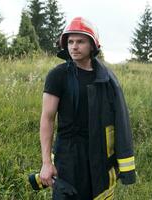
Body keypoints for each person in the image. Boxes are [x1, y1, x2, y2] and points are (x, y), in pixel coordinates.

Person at [39, 17, 135, 200]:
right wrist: (46, 163)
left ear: (92, 45)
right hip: (69, 156)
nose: (74, 46)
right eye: (70, 42)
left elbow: (119, 121)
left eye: (80, 41)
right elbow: (47, 118)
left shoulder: (107, 79)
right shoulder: (58, 76)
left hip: (100, 155)